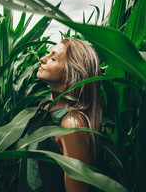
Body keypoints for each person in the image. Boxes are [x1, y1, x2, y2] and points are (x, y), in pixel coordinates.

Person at [18, 37, 102, 192]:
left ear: (70, 74)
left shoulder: (71, 124)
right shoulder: (43, 107)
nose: (42, 59)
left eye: (53, 58)